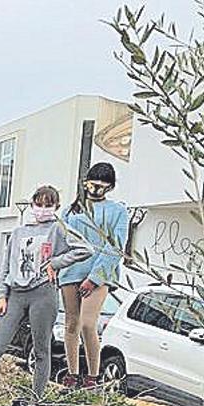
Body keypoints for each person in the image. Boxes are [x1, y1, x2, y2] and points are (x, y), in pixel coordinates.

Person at [0, 186, 91, 406]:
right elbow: (6, 267)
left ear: (56, 207)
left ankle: (35, 401)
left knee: (41, 350)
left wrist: (56, 263)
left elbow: (85, 249)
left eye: (48, 205)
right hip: (16, 294)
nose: (42, 209)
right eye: (39, 204)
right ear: (32, 205)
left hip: (43, 294)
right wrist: (2, 295)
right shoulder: (18, 233)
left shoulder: (58, 229)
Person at [59, 162, 128, 389]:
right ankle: (71, 374)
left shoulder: (118, 211)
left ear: (109, 187)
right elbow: (62, 242)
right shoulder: (70, 211)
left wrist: (95, 278)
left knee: (88, 324)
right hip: (70, 271)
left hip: (100, 274)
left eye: (102, 185)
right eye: (93, 184)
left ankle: (92, 375)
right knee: (71, 324)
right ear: (85, 183)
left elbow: (116, 247)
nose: (96, 189)